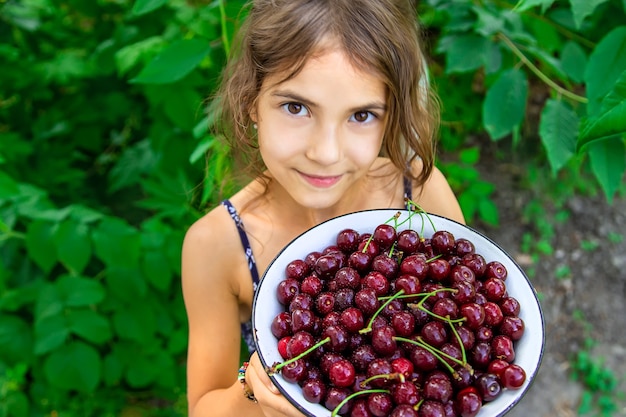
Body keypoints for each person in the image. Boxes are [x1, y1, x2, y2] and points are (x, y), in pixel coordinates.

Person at [181, 0, 465, 416]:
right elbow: (203, 407)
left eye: (362, 115)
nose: (326, 152)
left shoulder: (418, 191)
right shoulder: (217, 245)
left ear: (390, 119)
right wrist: (253, 388)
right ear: (250, 103)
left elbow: (463, 308)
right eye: (296, 107)